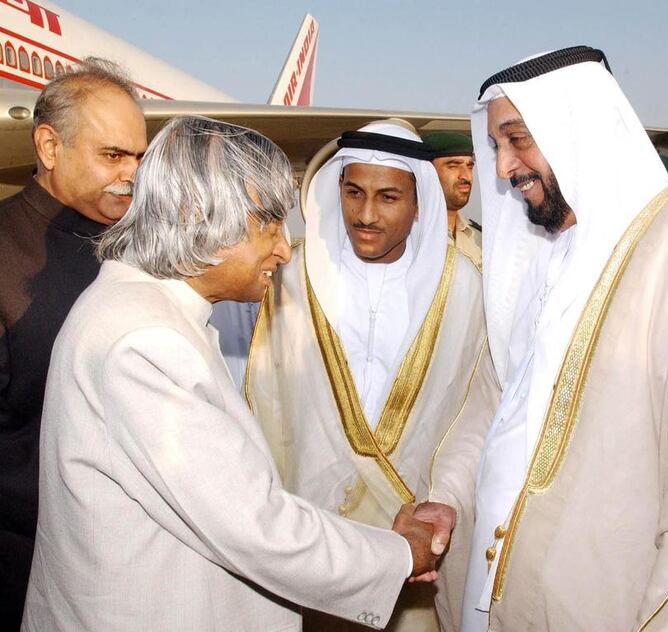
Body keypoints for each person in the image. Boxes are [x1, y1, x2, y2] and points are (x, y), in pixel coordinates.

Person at [420, 46, 668, 631]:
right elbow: (493, 405)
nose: (501, 168)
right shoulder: (530, 256)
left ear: (580, 129)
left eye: (519, 139)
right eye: (495, 145)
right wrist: (445, 496)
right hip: (490, 593)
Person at [22, 116, 439, 632]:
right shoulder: (144, 342)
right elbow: (253, 526)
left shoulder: (152, 312)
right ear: (200, 217)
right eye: (269, 225)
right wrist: (398, 556)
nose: (285, 249)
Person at [246, 120, 497, 631]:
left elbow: (477, 413)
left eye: (387, 198)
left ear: (418, 202)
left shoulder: (468, 289)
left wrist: (440, 508)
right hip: (307, 541)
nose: (365, 215)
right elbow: (262, 405)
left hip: (420, 545)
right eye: (353, 192)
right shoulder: (290, 278)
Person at [0, 57, 147, 631]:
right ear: (49, 146)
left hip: (125, 568)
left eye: (139, 157)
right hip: (23, 567)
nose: (131, 174)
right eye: (113, 155)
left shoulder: (140, 252)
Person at [423, 131, 482, 265]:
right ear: (427, 172)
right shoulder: (409, 237)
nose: (466, 176)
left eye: (469, 166)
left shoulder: (478, 238)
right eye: (453, 166)